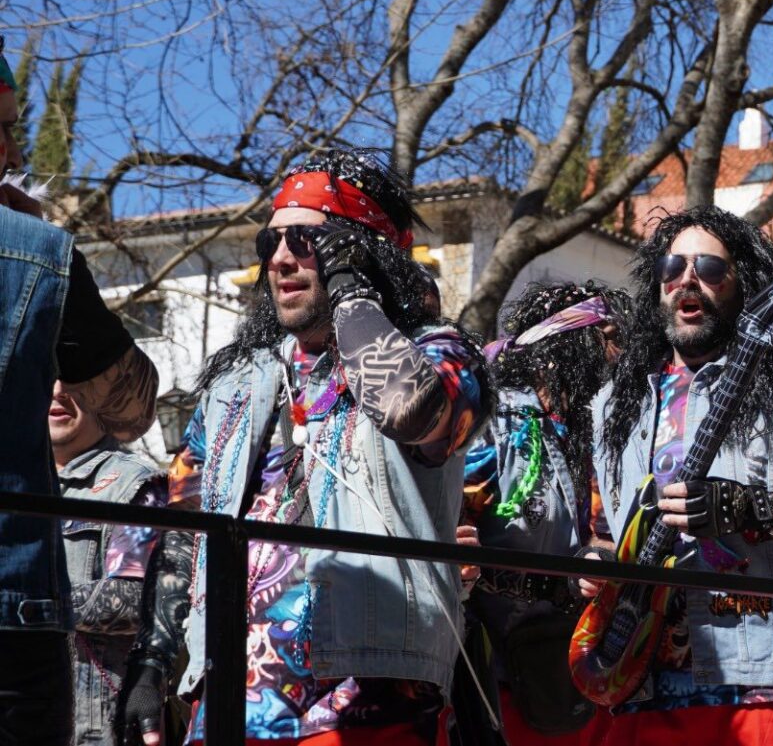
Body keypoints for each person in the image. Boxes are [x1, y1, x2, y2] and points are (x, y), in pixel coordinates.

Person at [167, 148, 489, 744]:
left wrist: (352, 292)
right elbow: (181, 530)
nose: (281, 258)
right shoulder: (235, 384)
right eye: (270, 242)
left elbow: (409, 408)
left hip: (365, 699)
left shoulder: (441, 355)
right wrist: (156, 661)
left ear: (360, 254)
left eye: (307, 240)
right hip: (228, 704)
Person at [581, 205, 773, 746]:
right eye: (672, 267)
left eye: (708, 268)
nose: (687, 279)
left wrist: (755, 509)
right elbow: (605, 538)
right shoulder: (615, 404)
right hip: (637, 693)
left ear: (743, 282)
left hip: (769, 695)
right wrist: (595, 568)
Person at [0, 39, 160, 745]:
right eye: (4, 128)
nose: (12, 151)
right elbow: (132, 407)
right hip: (13, 619)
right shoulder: (37, 252)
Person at [458, 281, 629, 746]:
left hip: (571, 662)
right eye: (608, 337)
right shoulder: (494, 418)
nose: (619, 354)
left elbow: (600, 533)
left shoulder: (589, 427)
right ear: (566, 344)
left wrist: (596, 557)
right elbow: (453, 529)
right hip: (496, 668)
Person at [50, 383, 168, 746]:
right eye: (47, 375)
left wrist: (24, 602)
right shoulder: (15, 480)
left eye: (75, 380)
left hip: (89, 727)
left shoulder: (136, 483)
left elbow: (137, 601)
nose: (58, 390)